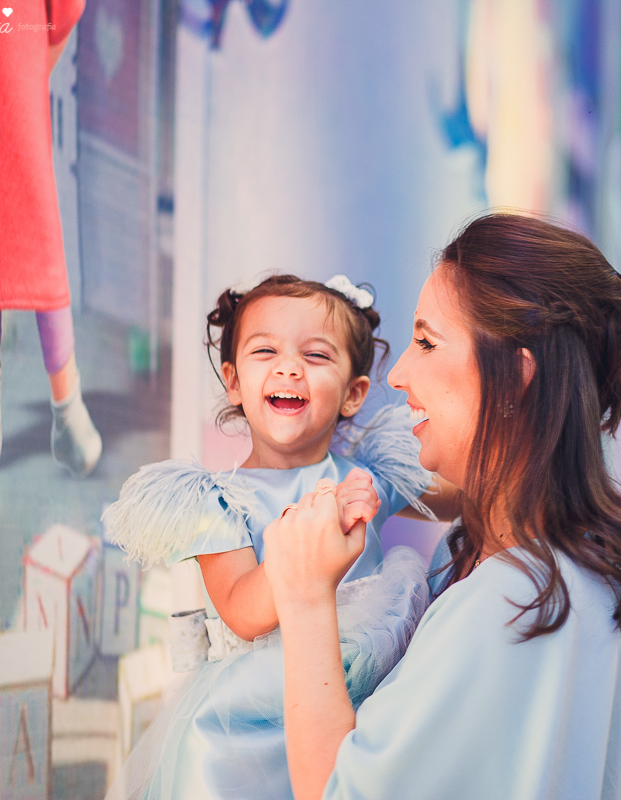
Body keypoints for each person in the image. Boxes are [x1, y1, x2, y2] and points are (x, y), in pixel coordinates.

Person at [266, 213, 621, 800]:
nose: (398, 374)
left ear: (514, 378)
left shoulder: (515, 601)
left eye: (427, 342)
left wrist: (304, 597)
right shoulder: (586, 581)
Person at [102, 273, 458, 799]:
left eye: (315, 357)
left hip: (365, 704)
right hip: (249, 724)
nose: (289, 367)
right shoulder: (218, 503)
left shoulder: (367, 476)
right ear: (234, 382)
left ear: (354, 393)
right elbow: (242, 611)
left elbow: (462, 495)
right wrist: (307, 548)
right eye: (265, 350)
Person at [0, 0, 103, 475]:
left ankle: (66, 404)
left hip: (23, 68)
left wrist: (34, 68)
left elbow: (67, 10)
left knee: (39, 238)